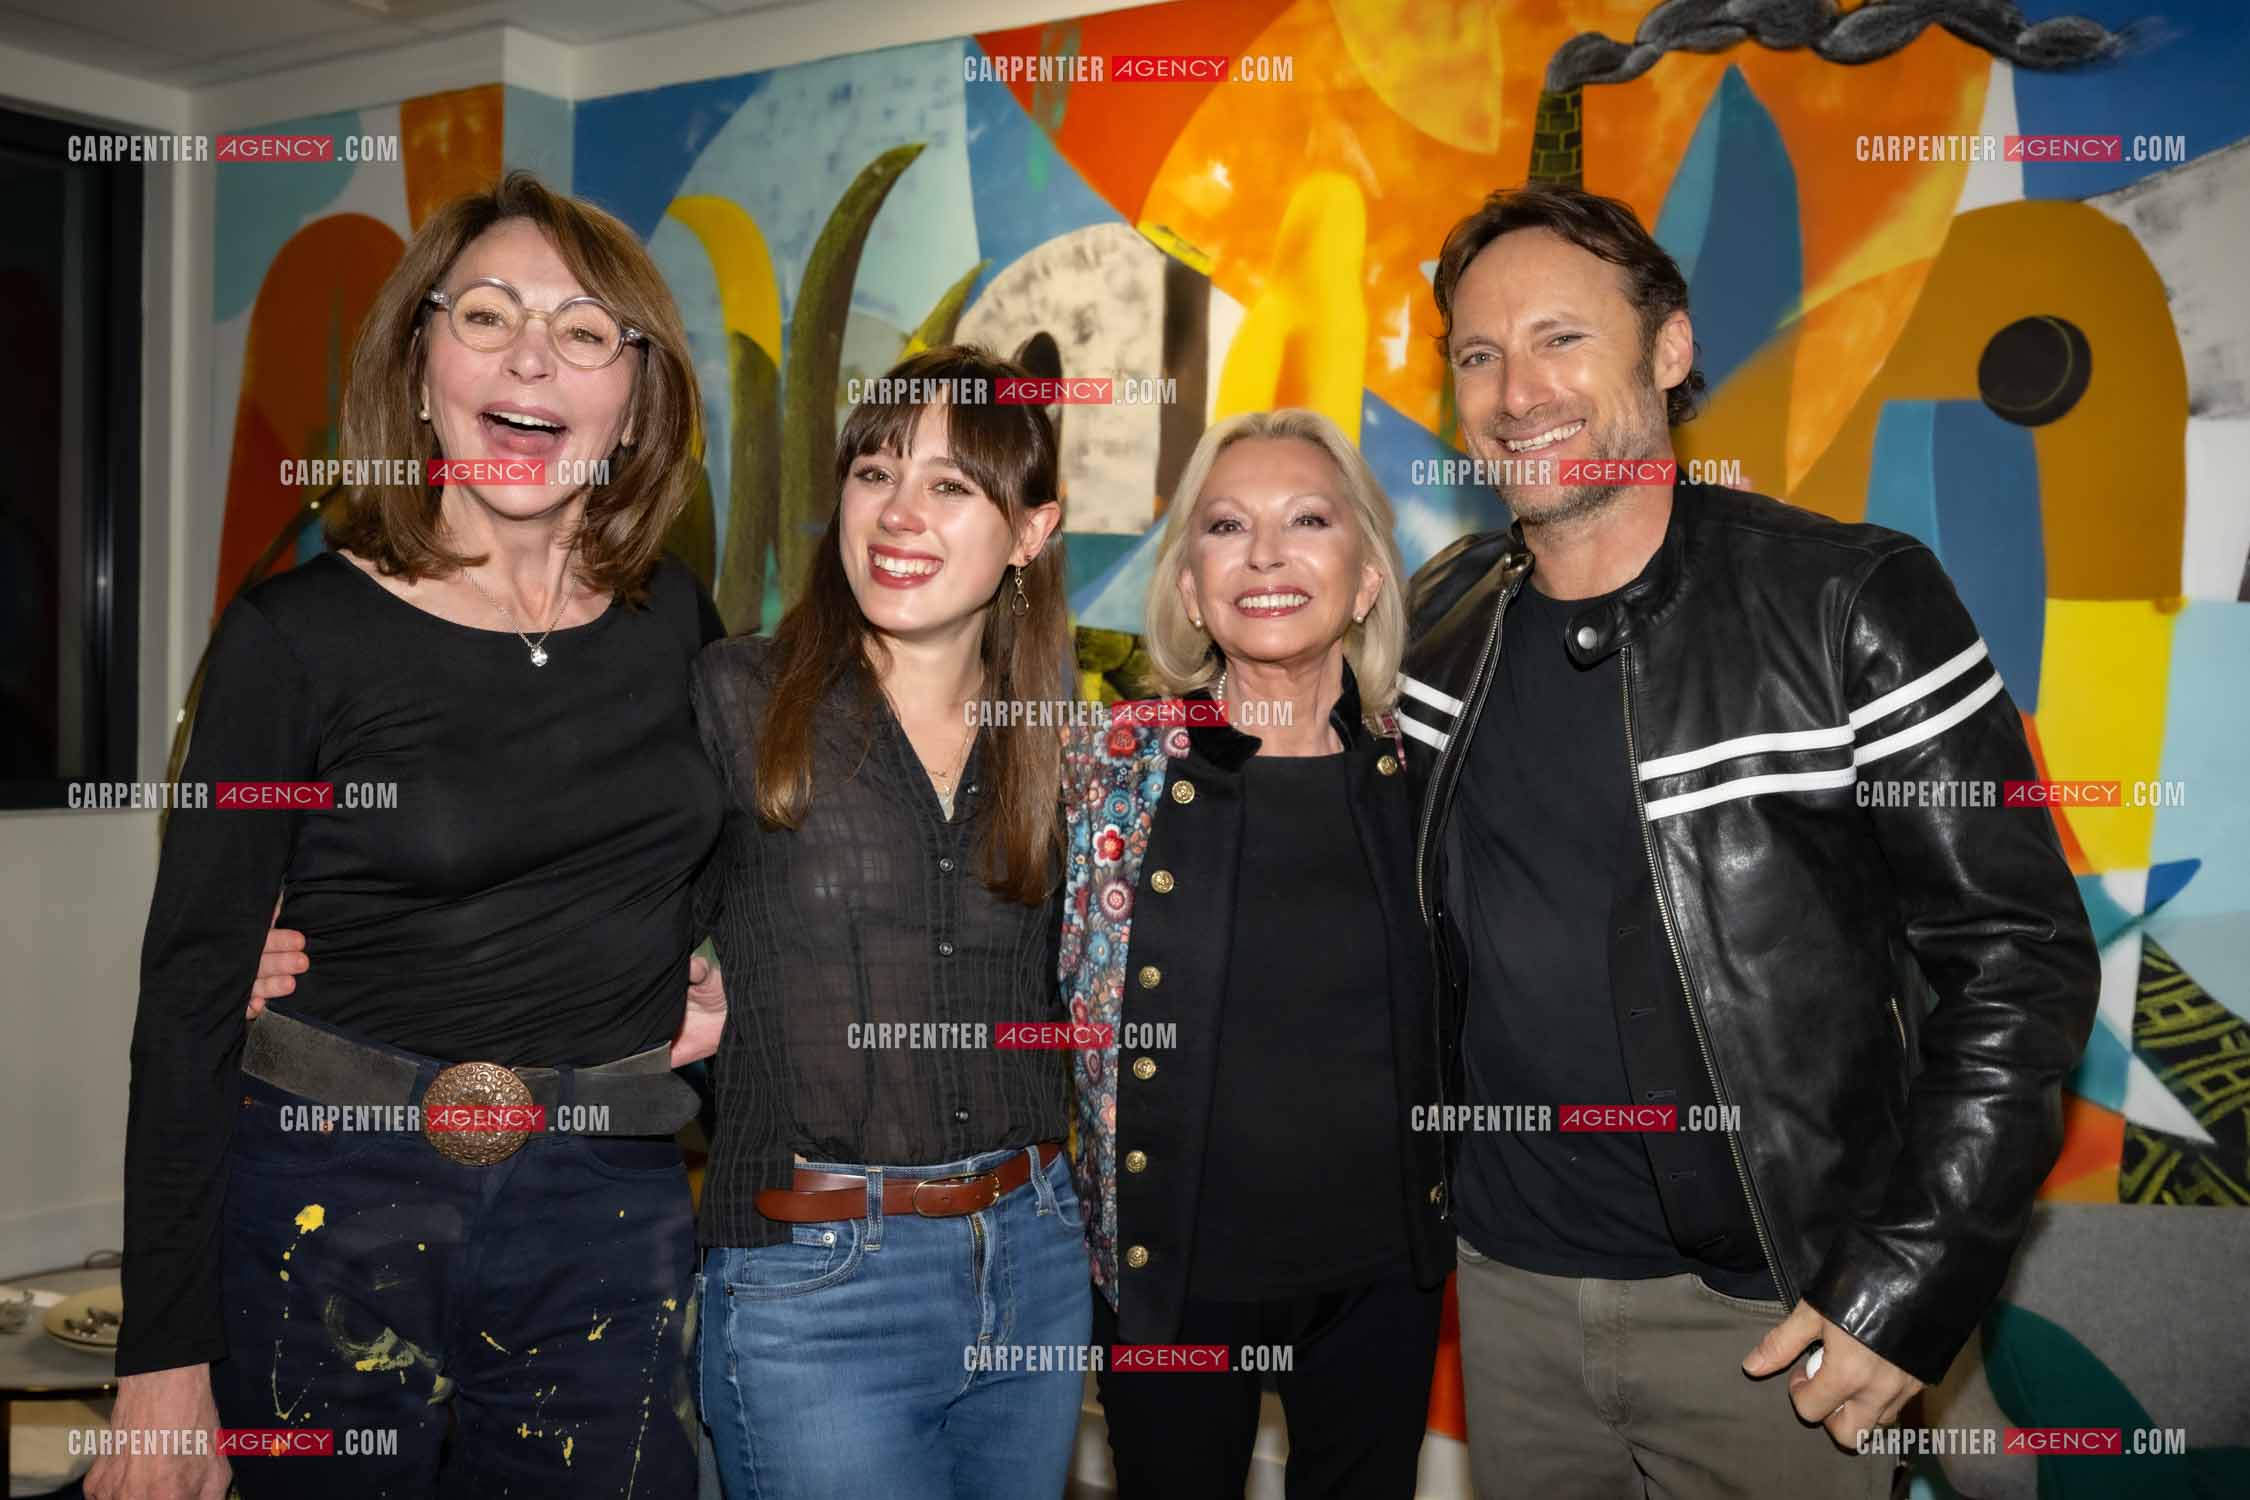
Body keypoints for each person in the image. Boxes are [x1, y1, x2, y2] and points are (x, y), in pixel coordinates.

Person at [1400, 182, 2100, 1499]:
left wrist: (1904, 1281)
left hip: (1775, 1320)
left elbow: (2019, 960)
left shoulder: (1849, 601)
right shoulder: (1441, 633)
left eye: (1561, 338)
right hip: (1507, 1298)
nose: (1514, 390)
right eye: (1477, 355)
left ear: (1666, 351)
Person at [95, 171, 726, 1500]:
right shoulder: (295, 640)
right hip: (332, 1202)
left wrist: (702, 965)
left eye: (582, 330)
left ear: (634, 393)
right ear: (421, 361)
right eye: (486, 314)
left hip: (604, 1199)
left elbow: (707, 859)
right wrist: (161, 1365)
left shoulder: (674, 621)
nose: (530, 357)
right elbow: (191, 1002)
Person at [689, 344, 1088, 1498]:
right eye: (874, 471)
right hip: (815, 1282)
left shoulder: (1055, 736)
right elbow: (578, 883)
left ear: (1030, 530)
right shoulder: (736, 696)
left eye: (952, 485)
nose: (898, 512)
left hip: (1035, 1259)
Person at [1062, 408, 1451, 1497]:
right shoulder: (1106, 773)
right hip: (1169, 1284)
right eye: (1227, 526)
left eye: (1309, 520)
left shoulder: (1427, 779)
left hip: (1383, 1286)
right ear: (1190, 586)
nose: (1268, 554)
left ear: (1365, 578)